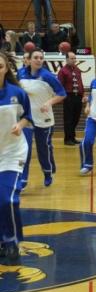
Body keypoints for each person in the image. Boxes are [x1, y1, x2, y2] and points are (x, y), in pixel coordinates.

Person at [17, 48, 66, 189]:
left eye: (41, 58)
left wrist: (49, 102)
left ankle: (48, 173)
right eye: (36, 57)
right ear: (29, 60)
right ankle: (23, 179)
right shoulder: (21, 73)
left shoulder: (48, 76)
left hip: (44, 118)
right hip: (26, 119)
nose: (39, 60)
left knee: (43, 149)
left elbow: (62, 94)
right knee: (24, 149)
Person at [0, 51, 32, 260]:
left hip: (13, 152)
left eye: (0, 66)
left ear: (6, 68)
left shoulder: (17, 93)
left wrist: (20, 125)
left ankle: (12, 239)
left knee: (7, 200)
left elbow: (27, 117)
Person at [58, 51, 84, 146]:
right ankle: (67, 139)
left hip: (78, 97)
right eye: (72, 58)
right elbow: (59, 85)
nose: (74, 60)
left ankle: (73, 137)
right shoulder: (63, 71)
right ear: (67, 59)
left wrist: (83, 95)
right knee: (68, 118)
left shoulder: (77, 69)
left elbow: (80, 82)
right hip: (68, 97)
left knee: (76, 118)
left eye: (74, 58)